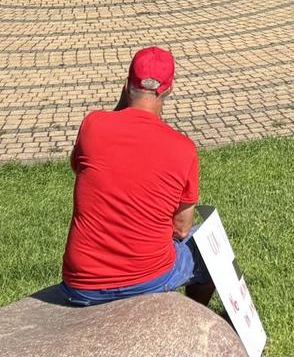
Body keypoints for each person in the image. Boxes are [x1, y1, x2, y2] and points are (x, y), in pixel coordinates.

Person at [61, 48, 214, 307]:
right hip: (147, 278)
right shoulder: (183, 148)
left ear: (126, 84)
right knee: (209, 250)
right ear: (168, 90)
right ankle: (197, 321)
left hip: (81, 284)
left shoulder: (93, 125)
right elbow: (181, 229)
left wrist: (122, 106)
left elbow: (78, 168)